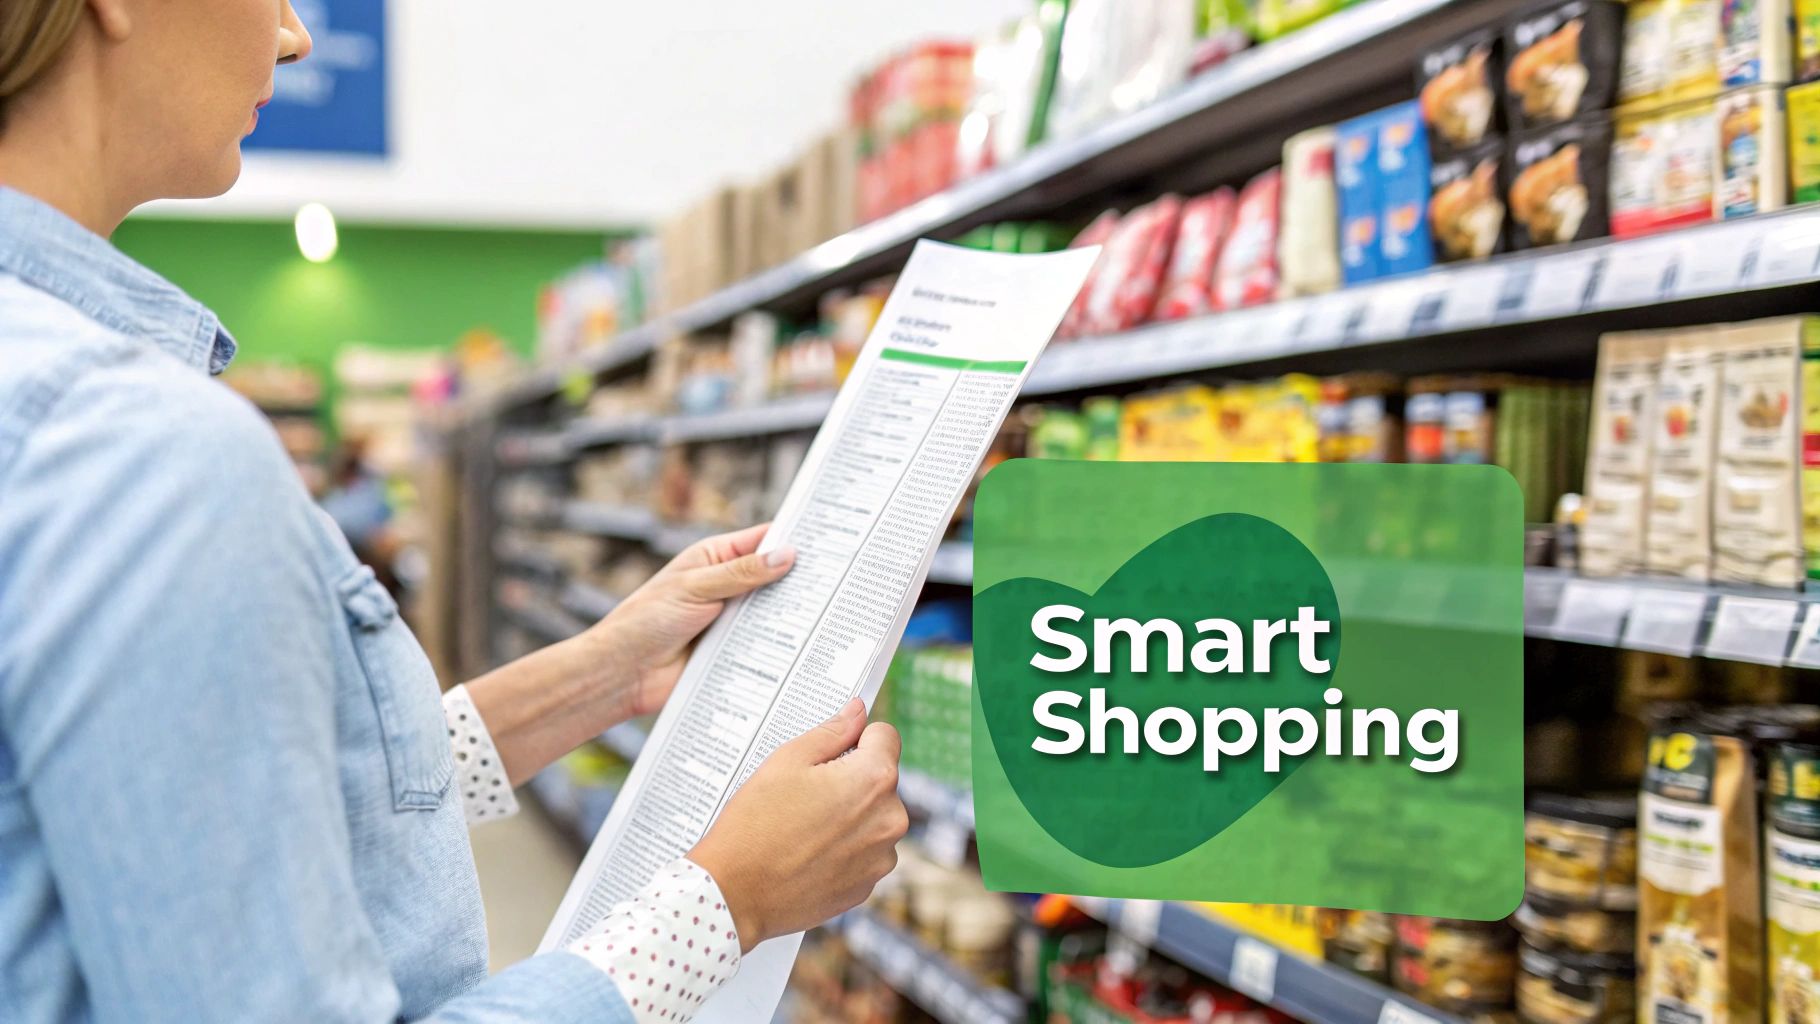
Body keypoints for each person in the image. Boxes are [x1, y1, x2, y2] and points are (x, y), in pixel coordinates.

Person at [0, 2, 907, 1022]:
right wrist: (727, 901)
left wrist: (609, 669)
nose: (295, 35)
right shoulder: (138, 451)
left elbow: (228, 814)